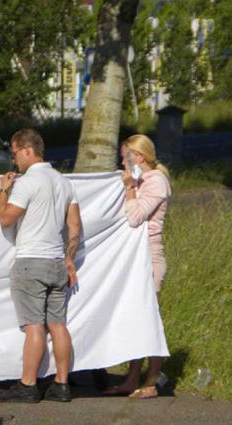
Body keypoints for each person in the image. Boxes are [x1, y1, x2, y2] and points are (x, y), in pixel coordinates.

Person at [0, 128, 82, 403]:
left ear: (27, 150)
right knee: (58, 325)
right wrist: (69, 257)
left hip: (31, 261)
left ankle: (28, 385)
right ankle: (62, 384)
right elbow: (75, 226)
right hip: (57, 261)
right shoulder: (64, 182)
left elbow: (6, 219)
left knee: (34, 327)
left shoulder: (27, 182)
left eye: (15, 153)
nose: (14, 160)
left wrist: (2, 191)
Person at [103, 134, 172, 399]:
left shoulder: (156, 181)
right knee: (138, 320)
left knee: (150, 321)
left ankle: (151, 382)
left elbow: (135, 217)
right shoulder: (143, 180)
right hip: (136, 257)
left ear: (140, 156)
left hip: (150, 257)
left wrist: (130, 188)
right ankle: (132, 379)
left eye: (126, 157)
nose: (122, 162)